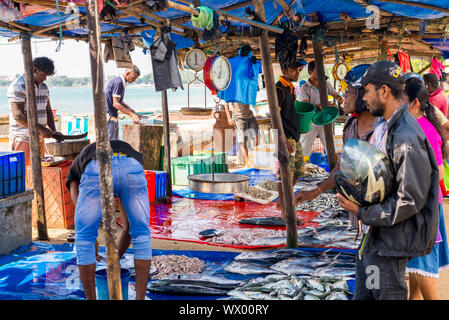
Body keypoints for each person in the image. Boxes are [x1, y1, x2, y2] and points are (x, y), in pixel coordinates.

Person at [336, 61, 440, 300]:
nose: (365, 97)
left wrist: (362, 211)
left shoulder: (405, 136)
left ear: (384, 91)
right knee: (367, 294)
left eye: (368, 90)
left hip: (391, 242)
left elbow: (409, 199)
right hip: (375, 239)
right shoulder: (385, 125)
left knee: (385, 293)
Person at [294, 64, 378, 231]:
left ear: (365, 95)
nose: (344, 96)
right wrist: (315, 192)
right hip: (360, 220)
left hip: (380, 220)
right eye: (345, 91)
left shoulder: (384, 130)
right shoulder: (351, 125)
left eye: (349, 92)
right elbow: (343, 167)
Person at [66, 140, 152, 300]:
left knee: (84, 240)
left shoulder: (76, 166)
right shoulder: (124, 150)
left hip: (96, 165)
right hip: (132, 165)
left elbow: (74, 189)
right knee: (142, 235)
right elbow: (129, 228)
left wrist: (89, 233)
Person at [404, 79, 449, 300]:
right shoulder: (410, 125)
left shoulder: (428, 131)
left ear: (414, 102)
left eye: (402, 100)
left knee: (424, 268)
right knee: (415, 269)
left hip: (425, 207)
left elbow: (439, 173)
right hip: (415, 204)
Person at [7, 56, 63, 167]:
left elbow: (48, 111)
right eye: (43, 75)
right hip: (23, 138)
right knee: (23, 174)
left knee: (38, 173)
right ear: (34, 70)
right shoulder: (18, 86)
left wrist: (53, 130)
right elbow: (18, 116)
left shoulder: (44, 87)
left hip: (40, 138)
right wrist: (42, 129)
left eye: (47, 76)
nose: (45, 79)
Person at [274, 60, 305, 213]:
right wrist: (283, 140)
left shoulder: (291, 88)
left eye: (299, 69)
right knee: (284, 173)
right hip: (285, 137)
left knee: (299, 171)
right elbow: (275, 117)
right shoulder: (279, 89)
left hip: (294, 136)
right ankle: (284, 207)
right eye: (295, 70)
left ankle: (283, 199)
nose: (298, 72)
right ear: (285, 71)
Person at [297, 60, 344, 157]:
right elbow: (306, 107)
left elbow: (336, 95)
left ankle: (335, 168)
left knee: (331, 148)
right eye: (318, 71)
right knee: (305, 149)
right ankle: (304, 169)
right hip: (311, 123)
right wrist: (318, 106)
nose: (321, 73)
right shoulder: (305, 88)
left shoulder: (326, 84)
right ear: (310, 72)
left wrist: (340, 99)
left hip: (325, 120)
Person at [105, 65, 142, 140]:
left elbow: (120, 101)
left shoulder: (121, 82)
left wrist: (130, 109)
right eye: (133, 78)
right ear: (128, 73)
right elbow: (116, 104)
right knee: (111, 144)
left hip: (113, 117)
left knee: (115, 143)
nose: (134, 80)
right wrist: (131, 115)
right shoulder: (119, 82)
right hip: (109, 117)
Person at [224, 101, 259, 166]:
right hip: (239, 118)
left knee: (256, 137)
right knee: (242, 142)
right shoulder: (232, 91)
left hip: (250, 116)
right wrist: (229, 118)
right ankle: (248, 162)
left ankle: (255, 157)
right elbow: (226, 103)